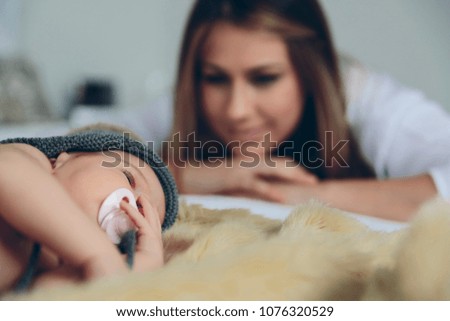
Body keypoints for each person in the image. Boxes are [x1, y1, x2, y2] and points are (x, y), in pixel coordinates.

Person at [162, 0, 450, 222]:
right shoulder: (185, 100)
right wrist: (187, 175)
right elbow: (116, 142)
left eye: (264, 79)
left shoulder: (369, 101)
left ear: (310, 72)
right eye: (216, 78)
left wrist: (297, 196)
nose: (236, 110)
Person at [0, 127, 178, 293]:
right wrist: (100, 255)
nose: (135, 207)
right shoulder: (32, 159)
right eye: (128, 176)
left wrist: (131, 271)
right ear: (65, 158)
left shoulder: (59, 265)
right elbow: (8, 169)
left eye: (145, 218)